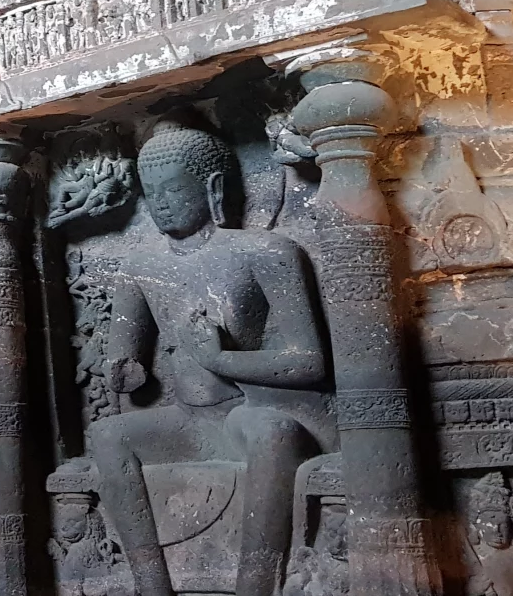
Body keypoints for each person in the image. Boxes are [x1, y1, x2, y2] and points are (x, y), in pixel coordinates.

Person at [86, 120, 334, 596]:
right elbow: (125, 354)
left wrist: (219, 359)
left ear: (213, 187)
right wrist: (123, 370)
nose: (160, 202)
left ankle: (257, 583)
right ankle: (149, 582)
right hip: (187, 418)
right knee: (107, 435)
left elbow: (309, 362)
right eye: (150, 192)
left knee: (273, 433)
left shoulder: (265, 251)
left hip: (247, 411)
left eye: (173, 189)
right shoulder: (140, 266)